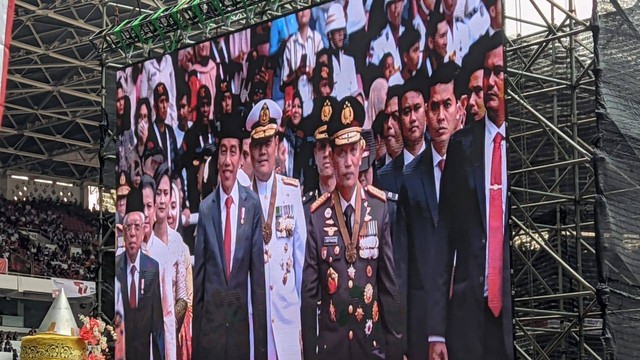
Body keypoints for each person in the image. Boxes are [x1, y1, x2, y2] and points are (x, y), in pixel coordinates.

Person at [427, 31, 513, 360]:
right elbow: (442, 241)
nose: (492, 81)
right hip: (468, 318)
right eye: (488, 72)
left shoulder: (529, 144)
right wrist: (436, 331)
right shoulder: (462, 147)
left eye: (500, 72)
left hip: (516, 317)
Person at [301, 96, 403, 360]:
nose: (347, 162)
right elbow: (310, 295)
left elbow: (389, 287)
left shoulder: (379, 208)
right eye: (340, 152)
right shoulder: (317, 215)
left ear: (362, 152)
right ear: (332, 158)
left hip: (371, 346)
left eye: (352, 151)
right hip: (332, 349)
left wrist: (395, 349)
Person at [394, 62, 464, 360]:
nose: (439, 116)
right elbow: (402, 264)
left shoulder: (476, 169)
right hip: (422, 327)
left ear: (459, 110)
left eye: (445, 106)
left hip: (468, 317)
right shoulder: (409, 178)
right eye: (433, 107)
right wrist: (404, 339)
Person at [192, 111, 267, 360]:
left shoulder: (252, 205)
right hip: (210, 337)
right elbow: (199, 285)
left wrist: (262, 351)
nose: (227, 160)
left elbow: (257, 283)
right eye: (222, 151)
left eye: (232, 152)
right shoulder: (205, 209)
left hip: (238, 336)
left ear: (239, 158)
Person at [246, 99, 307, 359]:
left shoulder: (291, 193)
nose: (262, 152)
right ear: (249, 151)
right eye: (257, 145)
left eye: (267, 144)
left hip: (287, 321)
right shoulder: (242, 199)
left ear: (278, 147)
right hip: (253, 325)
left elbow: (301, 262)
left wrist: (304, 321)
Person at [116, 188, 165, 360]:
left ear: (143, 231)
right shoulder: (115, 267)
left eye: (137, 228)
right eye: (128, 228)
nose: (132, 233)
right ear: (123, 232)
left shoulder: (152, 268)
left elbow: (157, 323)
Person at [152, 164, 192, 355]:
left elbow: (182, 298)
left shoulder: (177, 242)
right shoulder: (145, 241)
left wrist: (167, 324)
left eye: (165, 194)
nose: (161, 200)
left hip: (169, 333)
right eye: (158, 193)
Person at [139, 174, 177, 360]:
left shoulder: (163, 254)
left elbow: (168, 314)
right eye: (142, 207)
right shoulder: (124, 253)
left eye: (149, 207)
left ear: (155, 209)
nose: (146, 214)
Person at [377, 76, 429, 196]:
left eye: (417, 109)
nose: (412, 119)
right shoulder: (383, 177)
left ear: (426, 111)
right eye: (406, 112)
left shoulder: (441, 162)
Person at [282, 9, 323, 116]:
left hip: (315, 102)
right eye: (300, 10)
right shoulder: (290, 44)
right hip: (297, 107)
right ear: (295, 15)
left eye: (306, 8)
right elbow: (284, 81)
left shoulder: (317, 38)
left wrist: (314, 74)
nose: (303, 12)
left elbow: (324, 71)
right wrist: (297, 73)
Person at [302, 97, 339, 210]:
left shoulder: (349, 201)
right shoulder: (305, 208)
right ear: (315, 154)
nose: (327, 153)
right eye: (322, 147)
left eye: (332, 146)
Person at [325, 4, 359, 100]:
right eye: (337, 30)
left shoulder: (350, 61)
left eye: (342, 30)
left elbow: (354, 91)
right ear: (330, 35)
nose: (341, 34)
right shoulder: (325, 62)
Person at [147, 82, 180, 173]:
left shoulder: (170, 131)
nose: (165, 106)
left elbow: (176, 160)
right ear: (155, 107)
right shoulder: (150, 132)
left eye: (166, 101)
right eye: (161, 102)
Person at [370, 0, 406, 68]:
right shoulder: (377, 43)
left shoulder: (408, 33)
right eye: (392, 3)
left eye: (398, 2)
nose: (396, 8)